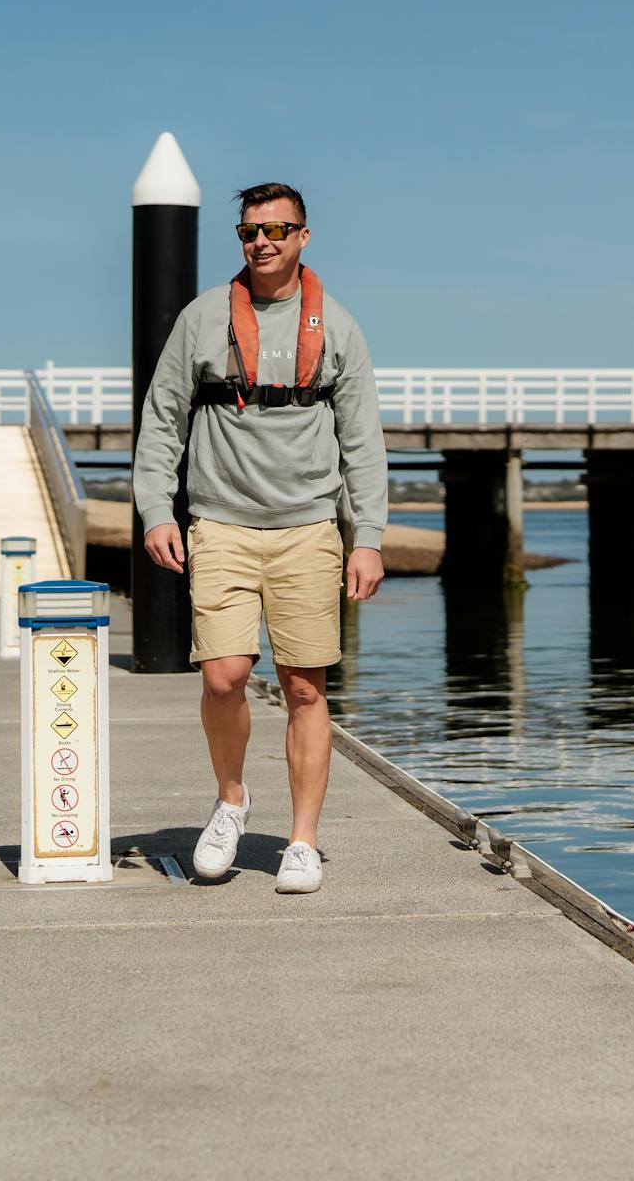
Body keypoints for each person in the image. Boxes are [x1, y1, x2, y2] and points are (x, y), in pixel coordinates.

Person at [134, 182, 388, 895]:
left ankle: (302, 841)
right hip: (220, 520)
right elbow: (163, 420)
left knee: (306, 685)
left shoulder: (338, 327)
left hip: (309, 525)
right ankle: (232, 800)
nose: (263, 242)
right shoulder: (202, 320)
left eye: (278, 229)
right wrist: (157, 509)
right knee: (224, 676)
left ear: (304, 236)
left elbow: (363, 443)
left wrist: (365, 536)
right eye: (250, 232)